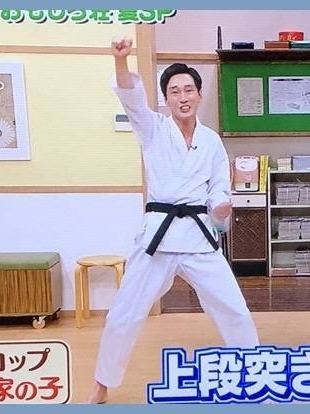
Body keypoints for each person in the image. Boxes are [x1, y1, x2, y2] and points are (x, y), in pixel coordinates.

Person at [88, 36, 260, 403]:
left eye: (188, 90)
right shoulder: (152, 128)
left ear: (199, 94)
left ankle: (253, 373)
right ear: (166, 99)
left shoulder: (211, 141)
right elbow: (131, 97)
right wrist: (121, 60)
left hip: (198, 238)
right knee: (124, 313)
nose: (182, 97)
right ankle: (102, 383)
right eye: (174, 91)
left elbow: (218, 188)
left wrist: (221, 208)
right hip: (159, 238)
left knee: (234, 309)